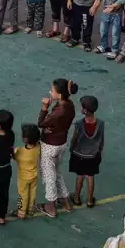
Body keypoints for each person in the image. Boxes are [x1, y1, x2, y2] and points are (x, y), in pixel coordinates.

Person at [37, 78, 78, 217]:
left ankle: (51, 207)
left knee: (49, 175)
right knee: (56, 172)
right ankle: (66, 201)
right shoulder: (70, 105)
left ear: (59, 95)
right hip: (61, 144)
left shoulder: (59, 110)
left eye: (52, 90)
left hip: (50, 145)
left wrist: (44, 108)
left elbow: (41, 123)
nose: (50, 92)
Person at [69, 95, 104, 208]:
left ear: (85, 110)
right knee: (90, 176)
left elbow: (74, 139)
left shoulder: (79, 124)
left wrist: (71, 148)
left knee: (80, 176)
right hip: (93, 154)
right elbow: (101, 140)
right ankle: (89, 200)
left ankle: (76, 198)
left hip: (79, 154)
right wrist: (100, 151)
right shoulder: (101, 123)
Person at [13, 124, 41, 219]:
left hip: (23, 177)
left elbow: (14, 157)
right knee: (32, 192)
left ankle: (21, 212)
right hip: (34, 175)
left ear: (25, 138)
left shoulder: (19, 151)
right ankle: (30, 209)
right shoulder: (38, 147)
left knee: (23, 194)